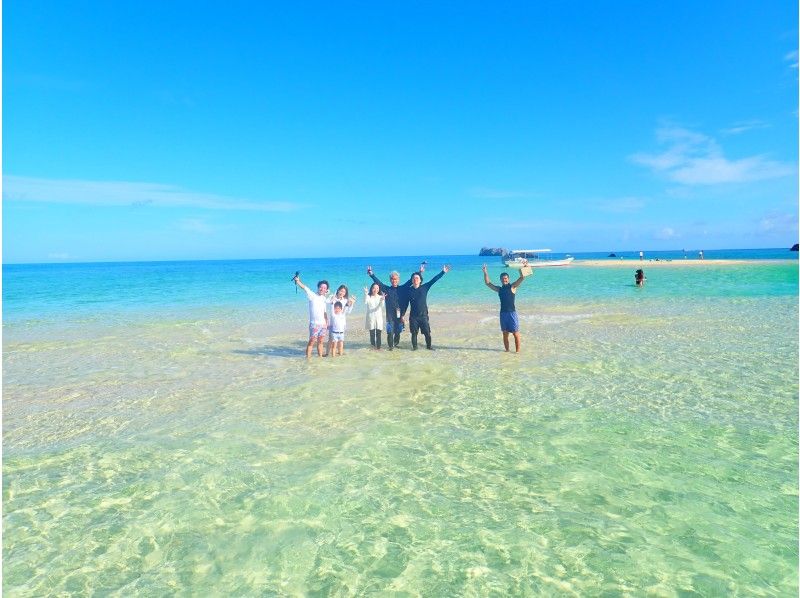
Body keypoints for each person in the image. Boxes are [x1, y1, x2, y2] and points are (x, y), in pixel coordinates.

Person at [366, 263, 424, 350]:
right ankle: (391, 348)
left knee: (398, 332)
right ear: (390, 280)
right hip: (390, 316)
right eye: (392, 279)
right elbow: (379, 283)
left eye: (396, 279)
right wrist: (371, 274)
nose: (394, 281)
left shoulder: (403, 288)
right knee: (390, 332)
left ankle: (395, 344)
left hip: (400, 316)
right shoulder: (387, 289)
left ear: (398, 279)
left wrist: (419, 272)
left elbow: (410, 280)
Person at [482, 264, 528, 352]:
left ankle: (517, 352)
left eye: (506, 279)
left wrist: (525, 267)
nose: (504, 280)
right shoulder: (499, 289)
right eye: (503, 279)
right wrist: (485, 272)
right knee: (505, 334)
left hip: (512, 313)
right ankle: (507, 351)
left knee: (515, 333)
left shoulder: (513, 287)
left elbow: (522, 278)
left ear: (508, 279)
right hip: (503, 314)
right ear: (500, 280)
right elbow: (488, 283)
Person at [404, 264, 450, 350]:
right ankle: (415, 348)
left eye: (417, 278)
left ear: (420, 280)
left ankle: (429, 347)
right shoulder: (409, 291)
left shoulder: (425, 287)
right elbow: (405, 303)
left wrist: (443, 272)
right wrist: (402, 315)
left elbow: (434, 280)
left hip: (423, 316)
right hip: (413, 317)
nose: (415, 279)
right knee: (414, 334)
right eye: (413, 278)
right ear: (412, 280)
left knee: (427, 333)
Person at [293, 275, 329, 358]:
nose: (322, 289)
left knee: (321, 342)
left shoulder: (324, 298)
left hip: (323, 324)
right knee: (312, 342)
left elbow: (324, 312)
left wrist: (326, 323)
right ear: (318, 287)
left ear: (326, 290)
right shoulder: (312, 295)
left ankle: (320, 357)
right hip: (314, 324)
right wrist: (298, 281)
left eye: (324, 288)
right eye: (321, 287)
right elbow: (305, 288)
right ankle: (308, 359)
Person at [327, 285, 355, 356]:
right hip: (332, 322)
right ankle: (327, 353)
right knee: (331, 339)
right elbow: (327, 302)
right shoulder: (333, 297)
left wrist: (352, 304)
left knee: (340, 340)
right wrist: (331, 298)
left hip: (341, 323)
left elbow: (348, 312)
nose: (342, 293)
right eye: (341, 291)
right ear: (338, 290)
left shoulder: (345, 300)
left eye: (344, 292)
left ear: (345, 293)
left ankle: (340, 353)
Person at [364, 283, 386, 349]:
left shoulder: (380, 297)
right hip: (371, 317)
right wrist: (365, 293)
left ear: (379, 289)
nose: (375, 289)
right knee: (372, 334)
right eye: (374, 288)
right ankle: (373, 347)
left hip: (378, 317)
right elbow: (365, 302)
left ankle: (378, 347)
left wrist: (382, 300)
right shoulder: (368, 296)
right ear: (371, 288)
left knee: (379, 333)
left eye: (377, 288)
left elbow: (382, 306)